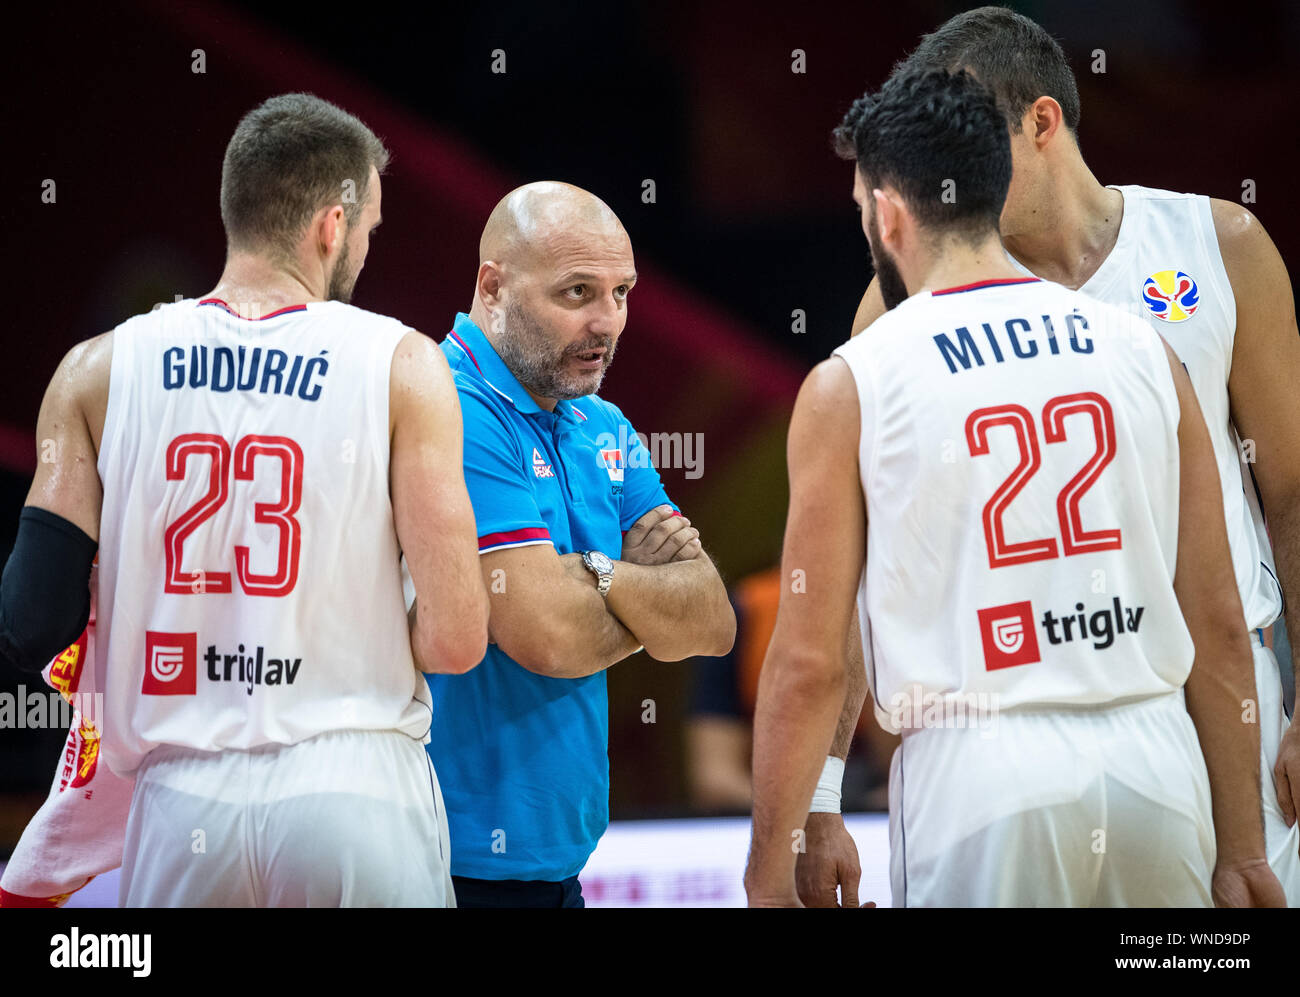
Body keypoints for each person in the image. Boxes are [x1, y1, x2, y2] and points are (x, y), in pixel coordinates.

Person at [744, 67, 1283, 907]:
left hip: (982, 776)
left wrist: (769, 867)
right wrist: (1243, 847)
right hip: (1157, 765)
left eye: (862, 211)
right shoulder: (1146, 351)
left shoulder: (858, 379)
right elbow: (1216, 616)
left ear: (888, 212)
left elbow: (810, 661)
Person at [0, 92, 489, 907]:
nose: (366, 247)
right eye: (368, 227)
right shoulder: (402, 362)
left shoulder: (96, 371)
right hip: (354, 787)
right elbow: (459, 635)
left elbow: (29, 619)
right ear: (331, 224)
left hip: (180, 803)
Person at [412, 181, 735, 908]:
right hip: (447, 864)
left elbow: (712, 619)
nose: (608, 322)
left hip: (559, 866)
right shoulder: (447, 402)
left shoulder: (603, 423)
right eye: (577, 292)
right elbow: (546, 634)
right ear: (492, 287)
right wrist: (641, 590)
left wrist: (588, 575)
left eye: (621, 292)